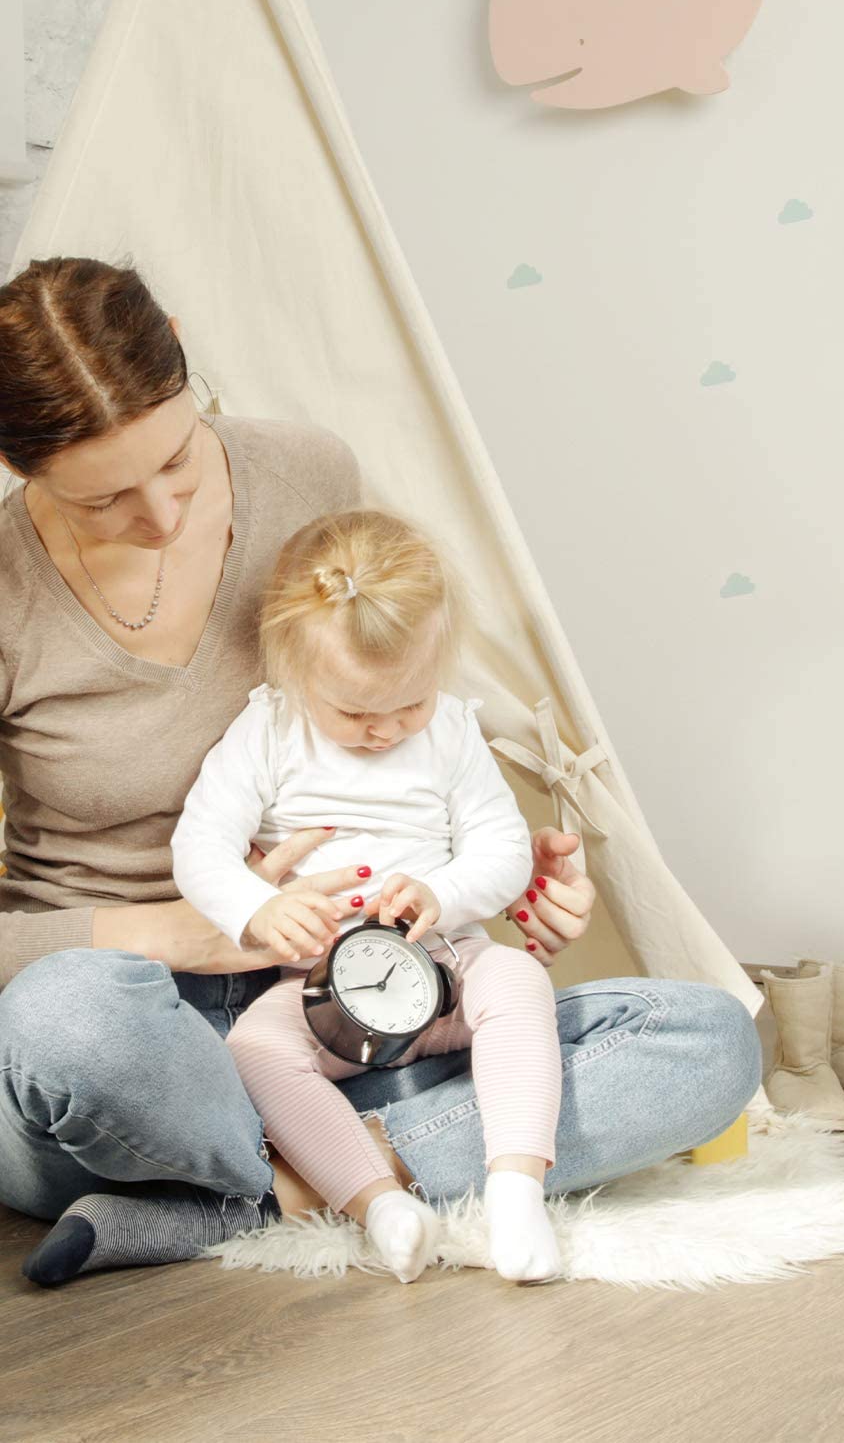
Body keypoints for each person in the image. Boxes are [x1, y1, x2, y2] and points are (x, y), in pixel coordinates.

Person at [0, 256, 760, 1286]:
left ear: (183, 347)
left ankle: (264, 1188)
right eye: (105, 503)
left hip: (376, 987)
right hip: (141, 1034)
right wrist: (177, 931)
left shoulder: (306, 472)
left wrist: (493, 876)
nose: (165, 516)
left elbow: (400, 704)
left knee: (706, 1037)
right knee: (64, 1031)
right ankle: (337, 1164)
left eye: (177, 459)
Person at [176, 510, 564, 1284]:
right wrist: (257, 908)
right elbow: (198, 847)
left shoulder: (452, 732)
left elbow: (504, 848)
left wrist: (442, 890)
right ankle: (379, 1203)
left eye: (409, 704)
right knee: (252, 1050)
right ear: (291, 669)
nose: (386, 731)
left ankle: (517, 1190)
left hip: (447, 965)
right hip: (325, 1000)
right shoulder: (270, 732)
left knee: (520, 981)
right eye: (355, 713)